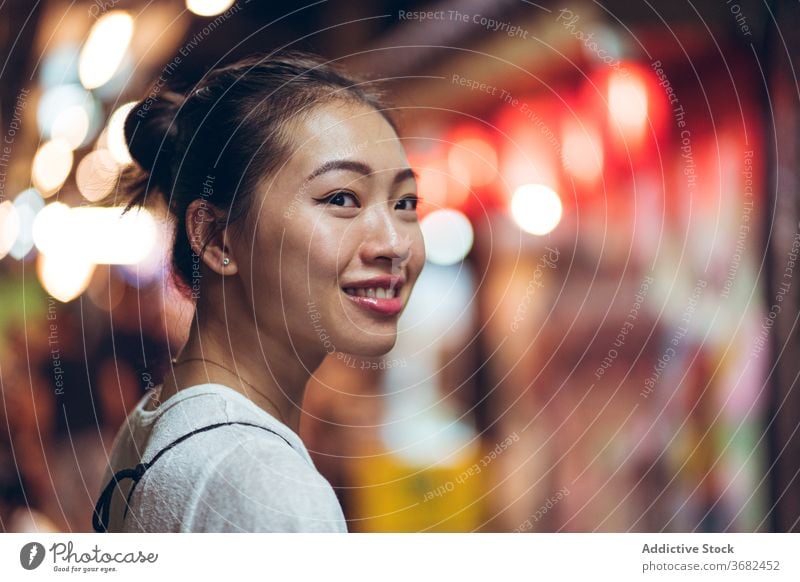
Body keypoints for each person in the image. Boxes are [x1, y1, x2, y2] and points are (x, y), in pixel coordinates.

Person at [92, 50, 425, 532]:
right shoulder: (267, 487)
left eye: (405, 202)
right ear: (218, 238)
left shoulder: (151, 424)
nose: (395, 243)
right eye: (341, 198)